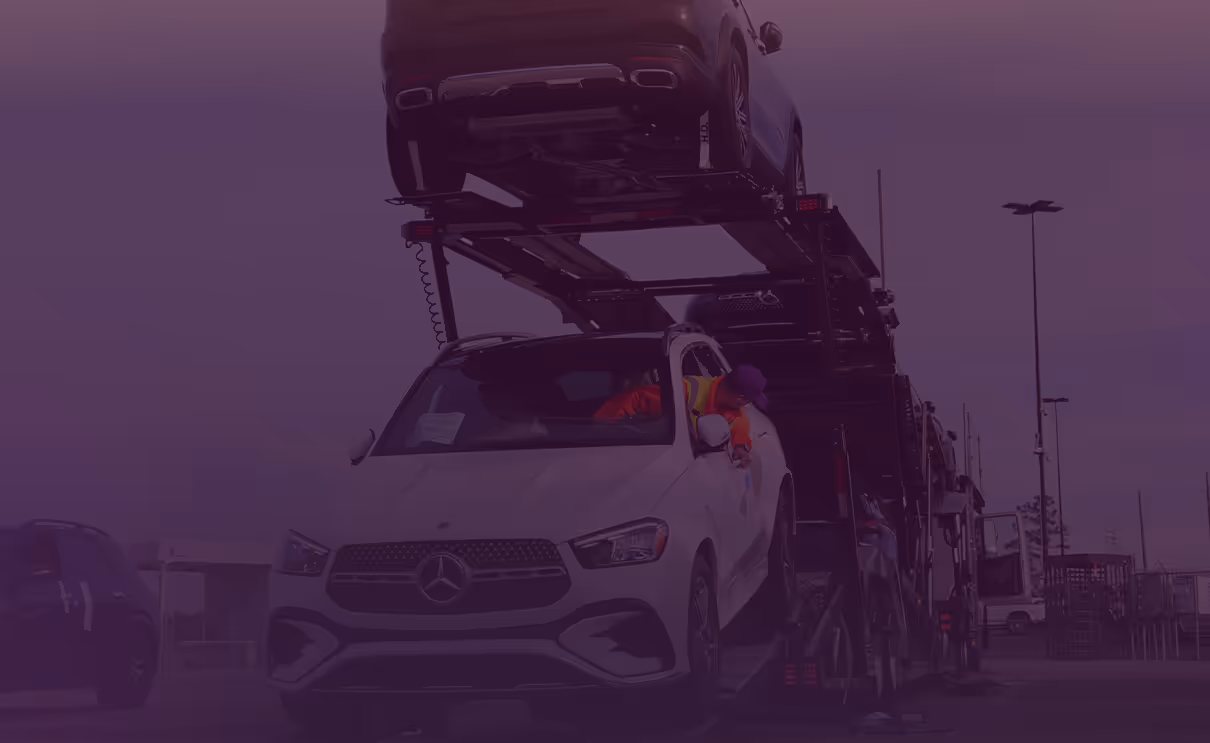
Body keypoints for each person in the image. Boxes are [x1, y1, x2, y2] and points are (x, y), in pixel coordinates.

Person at [594, 364, 769, 467]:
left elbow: (739, 423)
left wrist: (741, 447)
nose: (746, 406)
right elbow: (637, 397)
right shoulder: (687, 390)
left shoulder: (732, 406)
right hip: (652, 461)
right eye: (748, 401)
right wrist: (600, 431)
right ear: (740, 397)